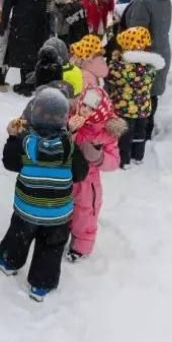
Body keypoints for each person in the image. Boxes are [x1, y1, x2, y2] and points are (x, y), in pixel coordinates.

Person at [0, 88, 89, 303]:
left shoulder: (26, 143)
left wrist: (12, 137)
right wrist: (69, 136)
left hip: (28, 209)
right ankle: (40, 285)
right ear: (64, 119)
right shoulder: (69, 146)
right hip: (59, 214)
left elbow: (10, 163)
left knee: (18, 236)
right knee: (51, 248)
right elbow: (80, 174)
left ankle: (8, 261)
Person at [65, 35, 126, 263]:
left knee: (85, 213)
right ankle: (60, 235)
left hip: (89, 182)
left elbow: (114, 160)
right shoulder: (74, 119)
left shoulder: (106, 133)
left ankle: (81, 246)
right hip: (69, 174)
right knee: (66, 207)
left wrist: (98, 157)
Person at [122, 0, 172, 128]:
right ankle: (148, 130)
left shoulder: (143, 1)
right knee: (153, 94)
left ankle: (140, 134)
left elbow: (137, 34)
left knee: (141, 96)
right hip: (162, 52)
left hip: (146, 56)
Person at [106, 26, 165, 168]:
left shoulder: (121, 67)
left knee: (125, 134)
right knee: (140, 132)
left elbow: (112, 77)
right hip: (143, 107)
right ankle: (138, 156)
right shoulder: (150, 67)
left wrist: (115, 59)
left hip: (125, 107)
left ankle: (124, 160)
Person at [1, 0, 52, 96]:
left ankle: (25, 84)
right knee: (35, 50)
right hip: (40, 17)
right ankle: (33, 81)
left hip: (22, 16)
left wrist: (4, 20)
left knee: (24, 51)